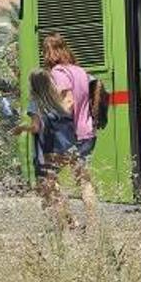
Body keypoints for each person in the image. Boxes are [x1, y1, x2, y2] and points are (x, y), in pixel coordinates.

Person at [12, 69, 97, 231]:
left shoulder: (35, 102)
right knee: (75, 182)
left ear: (33, 85)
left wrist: (22, 128)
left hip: (50, 149)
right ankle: (80, 222)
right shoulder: (57, 101)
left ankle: (67, 224)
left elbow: (36, 128)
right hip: (70, 147)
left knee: (47, 186)